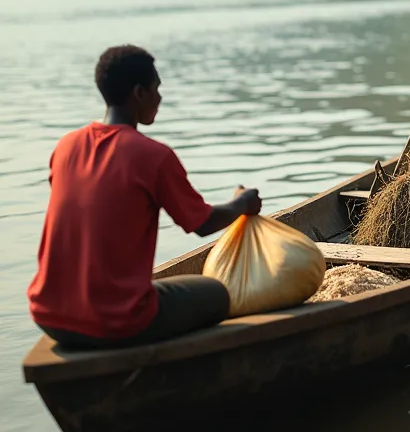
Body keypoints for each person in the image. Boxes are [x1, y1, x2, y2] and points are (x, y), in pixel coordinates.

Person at [28, 46, 262, 351]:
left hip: (48, 315)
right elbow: (202, 223)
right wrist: (242, 204)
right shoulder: (153, 156)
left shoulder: (65, 147)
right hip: (118, 322)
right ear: (139, 93)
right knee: (217, 294)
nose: (160, 98)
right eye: (156, 89)